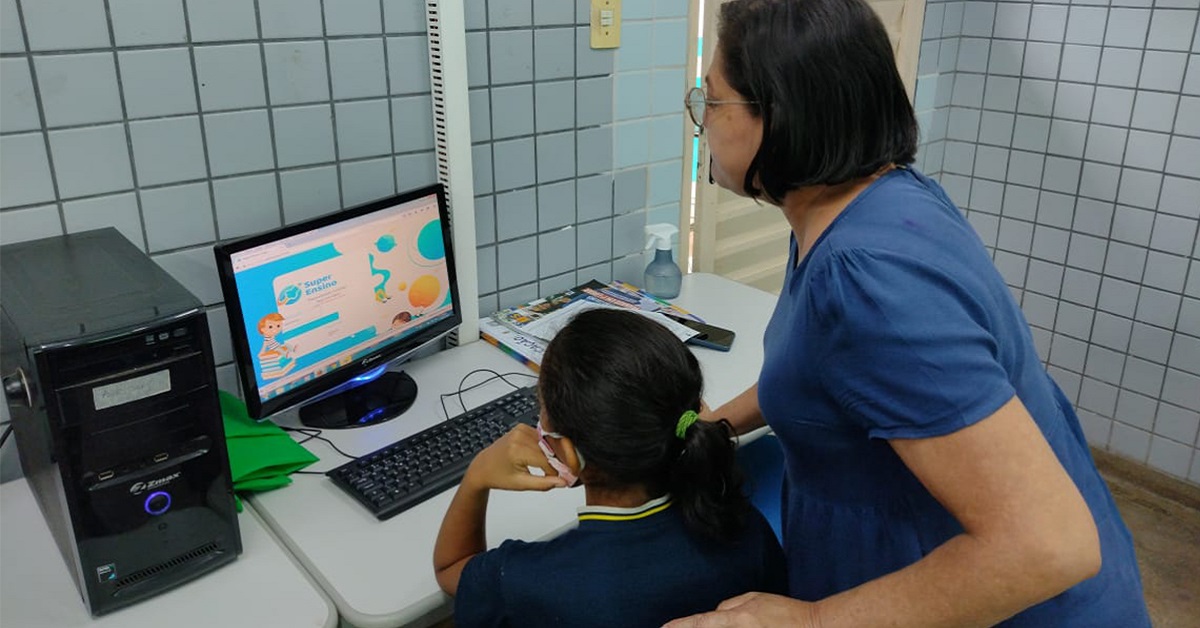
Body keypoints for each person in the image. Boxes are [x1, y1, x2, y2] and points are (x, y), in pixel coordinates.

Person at [666, 0, 1150, 626]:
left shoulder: (868, 279)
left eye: (714, 99)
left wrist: (809, 622)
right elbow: (827, 368)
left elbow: (1048, 543)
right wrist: (718, 426)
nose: (702, 118)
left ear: (781, 117)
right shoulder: (866, 201)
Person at [433, 309, 787, 627]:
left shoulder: (526, 578)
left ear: (570, 454)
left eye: (540, 406)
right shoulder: (744, 525)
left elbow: (450, 569)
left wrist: (477, 476)